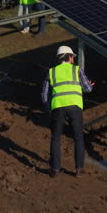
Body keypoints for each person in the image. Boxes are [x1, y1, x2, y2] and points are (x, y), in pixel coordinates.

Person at [41, 45, 95, 178]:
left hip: (57, 107)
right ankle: (79, 169)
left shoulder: (51, 72)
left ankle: (55, 169)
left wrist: (50, 108)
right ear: (70, 57)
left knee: (55, 138)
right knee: (78, 137)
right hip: (75, 107)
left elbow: (44, 94)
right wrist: (86, 85)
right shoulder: (77, 70)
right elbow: (88, 89)